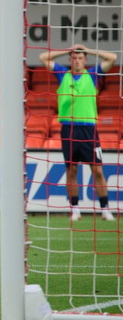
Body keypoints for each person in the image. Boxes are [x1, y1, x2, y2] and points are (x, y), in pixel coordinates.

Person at [39, 43, 117, 221]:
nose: (77, 61)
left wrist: (87, 49)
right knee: (71, 170)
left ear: (85, 60)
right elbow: (43, 57)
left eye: (80, 58)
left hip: (89, 129)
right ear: (70, 60)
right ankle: (75, 209)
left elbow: (112, 58)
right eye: (74, 58)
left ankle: (105, 209)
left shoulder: (92, 75)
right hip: (69, 128)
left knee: (97, 170)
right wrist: (68, 49)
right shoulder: (62, 74)